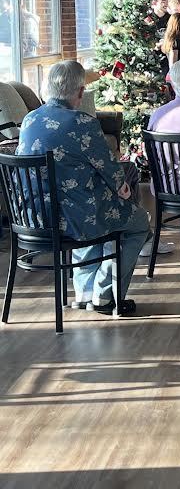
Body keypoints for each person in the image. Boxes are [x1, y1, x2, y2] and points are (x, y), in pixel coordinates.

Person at [16, 60, 149, 315]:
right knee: (137, 222)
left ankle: (85, 292)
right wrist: (122, 187)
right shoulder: (82, 123)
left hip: (34, 216)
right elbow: (110, 168)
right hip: (73, 218)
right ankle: (105, 295)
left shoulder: (30, 119)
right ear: (79, 91)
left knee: (90, 206)